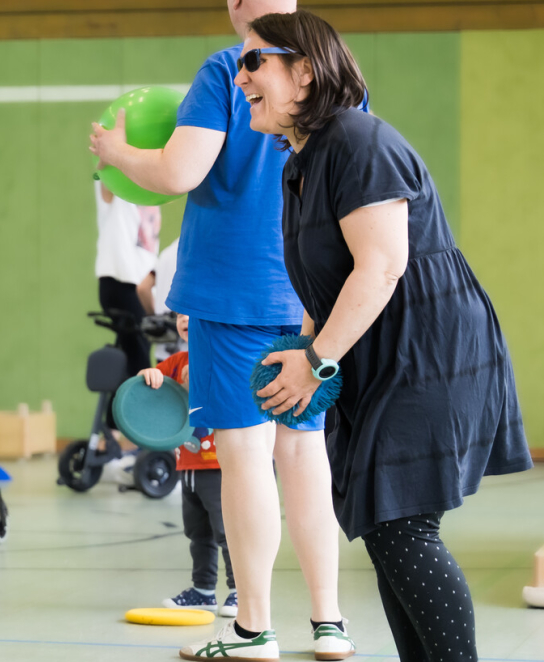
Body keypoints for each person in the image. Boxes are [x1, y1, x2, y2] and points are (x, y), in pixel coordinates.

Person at [239, 11, 533, 660]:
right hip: (378, 356)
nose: (240, 77)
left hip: (428, 354)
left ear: (306, 71)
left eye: (255, 60)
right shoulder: (301, 162)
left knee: (402, 527)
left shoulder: (356, 140)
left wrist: (315, 361)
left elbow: (382, 264)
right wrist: (304, 350)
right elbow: (327, 278)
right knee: (386, 528)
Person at [88, 1, 358, 659]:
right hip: (308, 297)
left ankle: (253, 629)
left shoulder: (226, 70)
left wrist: (117, 151)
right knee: (304, 455)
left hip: (231, 294)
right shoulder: (335, 73)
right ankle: (329, 623)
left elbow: (179, 171)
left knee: (243, 458)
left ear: (237, 6)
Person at [141, 315, 237, 618]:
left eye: (191, 313)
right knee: (198, 532)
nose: (185, 318)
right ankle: (203, 590)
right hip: (188, 465)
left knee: (228, 532)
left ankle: (241, 591)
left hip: (218, 464)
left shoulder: (223, 357)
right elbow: (148, 383)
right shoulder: (174, 362)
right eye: (180, 315)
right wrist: (149, 374)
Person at [94, 181, 160, 375]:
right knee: (140, 362)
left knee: (136, 357)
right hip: (121, 282)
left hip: (143, 289)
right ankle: (131, 404)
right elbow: (107, 174)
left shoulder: (154, 196)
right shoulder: (121, 193)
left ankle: (117, 403)